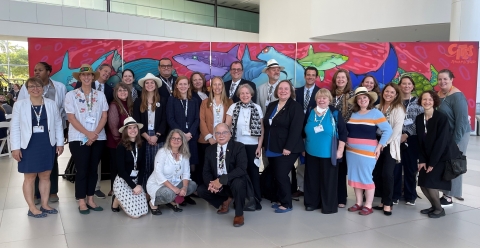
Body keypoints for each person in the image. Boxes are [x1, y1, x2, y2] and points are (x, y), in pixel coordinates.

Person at [11, 77, 64, 218]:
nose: (35, 89)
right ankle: (32, 208)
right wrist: (15, 148)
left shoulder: (51, 104)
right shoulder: (20, 105)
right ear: (27, 89)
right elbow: (15, 127)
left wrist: (59, 143)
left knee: (45, 175)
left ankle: (45, 204)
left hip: (47, 144)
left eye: (38, 86)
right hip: (28, 145)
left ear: (43, 88)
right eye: (31, 86)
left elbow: (58, 124)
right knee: (30, 176)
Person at [18, 62, 67, 205]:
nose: (37, 72)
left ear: (48, 71)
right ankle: (35, 195)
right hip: (31, 134)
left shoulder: (59, 87)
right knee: (32, 168)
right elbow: (21, 110)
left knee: (51, 163)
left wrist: (60, 136)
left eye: (40, 70)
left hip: (52, 131)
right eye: (35, 70)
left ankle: (52, 192)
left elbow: (63, 109)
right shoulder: (26, 88)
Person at [64, 64, 108, 214]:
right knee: (82, 169)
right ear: (80, 77)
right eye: (84, 75)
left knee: (93, 170)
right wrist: (87, 134)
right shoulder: (71, 95)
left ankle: (91, 199)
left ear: (93, 77)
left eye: (89, 75)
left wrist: (94, 133)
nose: (87, 77)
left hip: (98, 137)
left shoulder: (100, 95)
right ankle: (81, 200)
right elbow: (71, 118)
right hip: (77, 138)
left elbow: (104, 116)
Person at [345, 87, 392, 216]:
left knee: (366, 177)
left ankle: (368, 205)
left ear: (369, 99)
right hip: (351, 151)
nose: (362, 100)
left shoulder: (376, 113)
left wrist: (379, 146)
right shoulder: (353, 113)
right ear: (356, 101)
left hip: (368, 152)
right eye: (359, 98)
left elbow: (388, 130)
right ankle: (359, 202)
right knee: (354, 177)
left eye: (364, 97)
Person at [416, 91, 459, 218]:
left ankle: (439, 210)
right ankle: (434, 206)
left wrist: (432, 163)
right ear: (421, 101)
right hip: (427, 156)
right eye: (424, 99)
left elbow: (441, 143)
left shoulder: (441, 118)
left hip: (441, 157)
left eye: (430, 99)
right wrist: (422, 160)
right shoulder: (419, 118)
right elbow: (420, 141)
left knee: (430, 183)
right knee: (422, 183)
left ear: (434, 101)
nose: (427, 102)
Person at [263, 80, 304, 213]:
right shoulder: (272, 105)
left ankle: (287, 204)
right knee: (277, 174)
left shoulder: (295, 106)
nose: (283, 91)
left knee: (281, 175)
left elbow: (296, 129)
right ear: (277, 91)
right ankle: (281, 199)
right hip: (272, 146)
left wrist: (289, 147)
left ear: (291, 91)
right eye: (280, 88)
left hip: (287, 148)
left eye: (286, 89)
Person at [197, 123, 250, 227]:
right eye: (218, 133)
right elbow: (206, 171)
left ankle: (239, 214)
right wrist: (211, 184)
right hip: (218, 184)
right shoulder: (209, 150)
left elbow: (241, 169)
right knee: (201, 190)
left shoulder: (239, 147)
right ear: (214, 135)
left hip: (233, 180)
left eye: (224, 132)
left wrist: (221, 180)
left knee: (239, 183)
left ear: (230, 134)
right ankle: (225, 201)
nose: (221, 135)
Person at [303, 89, 347, 214]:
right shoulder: (310, 111)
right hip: (311, 152)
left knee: (328, 181)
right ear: (316, 99)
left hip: (329, 153)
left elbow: (343, 133)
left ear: (329, 100)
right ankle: (312, 203)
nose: (321, 100)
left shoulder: (334, 113)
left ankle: (328, 206)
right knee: (312, 179)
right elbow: (303, 130)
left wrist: (340, 150)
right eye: (319, 98)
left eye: (324, 98)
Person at [75, 63, 114, 198]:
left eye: (109, 73)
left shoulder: (108, 90)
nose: (107, 74)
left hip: (100, 132)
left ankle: (94, 189)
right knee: (83, 166)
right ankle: (81, 195)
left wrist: (95, 133)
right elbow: (72, 115)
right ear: (98, 71)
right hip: (81, 133)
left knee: (95, 164)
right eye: (105, 71)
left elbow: (106, 114)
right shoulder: (78, 90)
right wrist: (88, 133)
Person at [225, 84, 263, 210]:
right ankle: (239, 199)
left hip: (253, 145)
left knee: (253, 173)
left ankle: (256, 199)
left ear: (251, 95)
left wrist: (259, 146)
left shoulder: (257, 107)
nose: (245, 95)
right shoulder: (233, 107)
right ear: (239, 95)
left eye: (247, 93)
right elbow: (227, 127)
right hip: (237, 145)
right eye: (242, 93)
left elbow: (262, 129)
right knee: (239, 172)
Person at [436, 69, 470, 205]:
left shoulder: (457, 96)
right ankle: (447, 191)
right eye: (440, 79)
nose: (442, 81)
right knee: (446, 163)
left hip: (458, 133)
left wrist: (456, 141)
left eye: (445, 79)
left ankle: (449, 196)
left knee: (454, 163)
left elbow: (461, 121)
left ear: (451, 79)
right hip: (445, 135)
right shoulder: (439, 94)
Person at [372, 83, 405, 216]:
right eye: (387, 91)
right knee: (378, 174)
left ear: (396, 94)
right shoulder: (377, 107)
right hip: (376, 144)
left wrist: (384, 143)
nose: (389, 94)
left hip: (389, 145)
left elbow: (397, 130)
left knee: (387, 174)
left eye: (392, 92)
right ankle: (382, 201)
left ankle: (388, 203)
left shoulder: (398, 108)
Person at [147, 129, 197, 214]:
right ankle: (153, 203)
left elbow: (186, 173)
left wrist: (184, 188)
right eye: (173, 138)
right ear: (169, 139)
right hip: (158, 184)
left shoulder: (184, 154)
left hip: (174, 183)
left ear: (182, 141)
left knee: (192, 185)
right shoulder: (162, 152)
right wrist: (174, 189)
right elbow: (158, 173)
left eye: (179, 139)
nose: (176, 141)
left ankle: (170, 200)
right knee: (169, 193)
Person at [167, 76, 199, 205]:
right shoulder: (172, 100)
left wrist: (190, 133)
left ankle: (187, 193)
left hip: (191, 138)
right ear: (177, 86)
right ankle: (178, 195)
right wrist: (181, 135)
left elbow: (197, 119)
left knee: (190, 165)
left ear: (189, 86)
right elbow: (170, 119)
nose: (183, 86)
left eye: (185, 84)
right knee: (178, 166)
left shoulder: (194, 101)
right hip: (177, 139)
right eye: (180, 84)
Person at [133, 73, 167, 192]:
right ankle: (147, 192)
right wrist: (147, 137)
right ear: (144, 86)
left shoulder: (162, 100)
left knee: (158, 165)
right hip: (144, 137)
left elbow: (164, 120)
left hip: (159, 137)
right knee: (146, 166)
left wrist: (157, 136)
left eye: (152, 82)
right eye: (147, 83)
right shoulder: (138, 101)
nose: (149, 85)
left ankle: (159, 191)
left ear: (156, 85)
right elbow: (136, 121)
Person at [393, 76, 423, 205]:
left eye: (409, 84)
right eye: (403, 84)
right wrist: (398, 134)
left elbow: (419, 121)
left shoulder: (418, 103)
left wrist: (407, 134)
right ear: (399, 86)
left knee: (411, 168)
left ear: (413, 86)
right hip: (395, 138)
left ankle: (411, 195)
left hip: (412, 139)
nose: (406, 86)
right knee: (395, 168)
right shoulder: (395, 101)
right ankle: (395, 195)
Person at [198, 76, 233, 187]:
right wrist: (210, 137)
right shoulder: (205, 102)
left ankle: (222, 189)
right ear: (211, 87)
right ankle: (210, 189)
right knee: (208, 166)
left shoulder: (229, 102)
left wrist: (222, 137)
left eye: (219, 84)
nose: (217, 87)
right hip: (207, 140)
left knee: (222, 166)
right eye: (215, 84)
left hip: (223, 140)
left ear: (223, 87)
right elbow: (202, 121)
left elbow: (230, 122)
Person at [111, 117, 148, 218]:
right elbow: (121, 171)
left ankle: (120, 198)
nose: (133, 130)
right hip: (123, 182)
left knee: (144, 211)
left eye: (135, 127)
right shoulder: (121, 147)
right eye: (129, 128)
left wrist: (139, 184)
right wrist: (133, 186)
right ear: (125, 131)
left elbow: (143, 166)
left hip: (136, 181)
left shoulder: (141, 145)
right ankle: (116, 199)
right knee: (135, 215)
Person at [294, 66, 321, 197]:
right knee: (301, 161)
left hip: (314, 133)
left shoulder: (320, 93)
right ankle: (301, 187)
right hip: (298, 132)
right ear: (305, 76)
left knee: (314, 162)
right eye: (308, 74)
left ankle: (313, 187)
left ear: (316, 77)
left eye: (313, 75)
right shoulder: (296, 92)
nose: (310, 77)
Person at [330, 68, 355, 208]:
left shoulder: (352, 95)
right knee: (331, 167)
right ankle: (330, 195)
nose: (340, 80)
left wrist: (341, 129)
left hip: (343, 136)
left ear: (347, 80)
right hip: (329, 136)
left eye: (343, 78)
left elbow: (351, 116)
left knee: (341, 168)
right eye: (338, 78)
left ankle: (341, 197)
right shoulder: (330, 95)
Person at [107, 83, 133, 194]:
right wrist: (120, 142)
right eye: (120, 90)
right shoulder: (114, 105)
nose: (123, 92)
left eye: (125, 90)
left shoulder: (130, 104)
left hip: (128, 141)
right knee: (116, 166)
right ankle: (114, 189)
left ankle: (125, 188)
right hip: (116, 142)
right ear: (116, 93)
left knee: (125, 165)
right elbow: (113, 126)